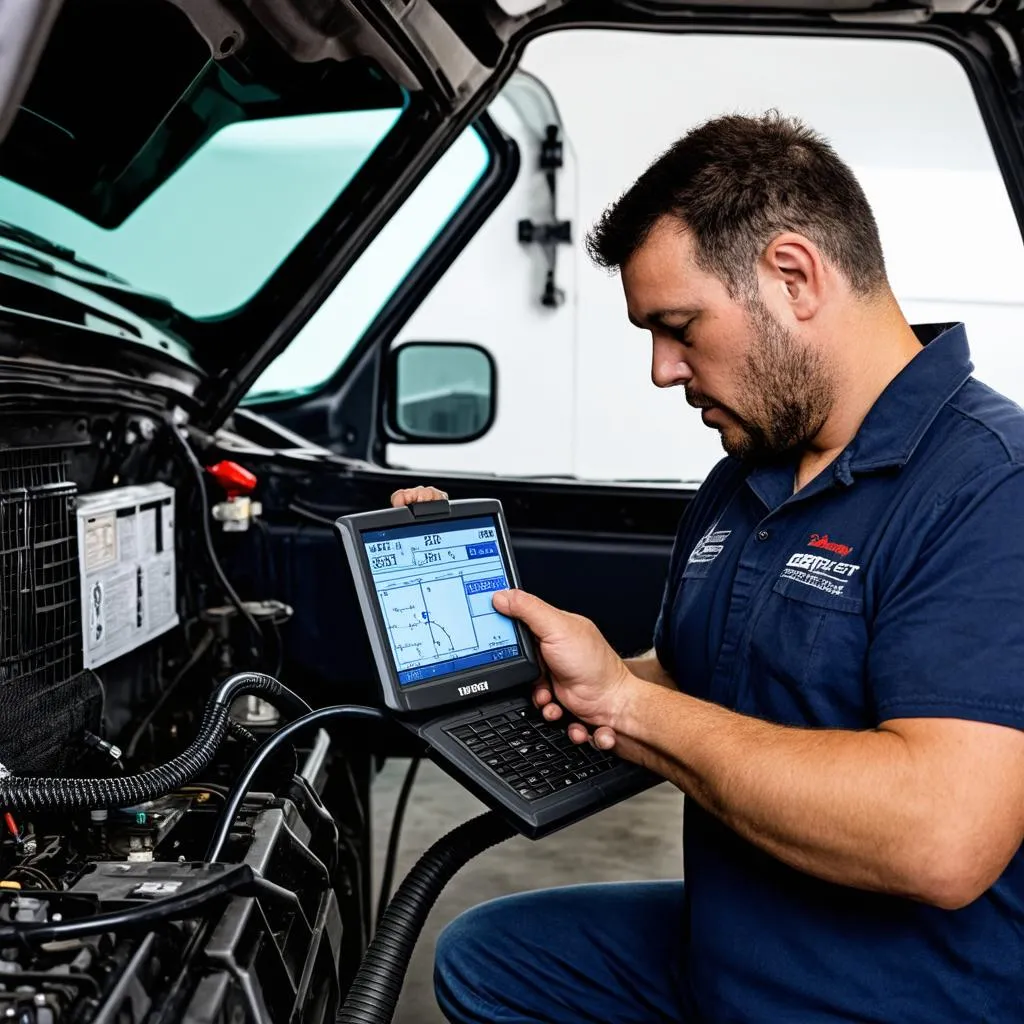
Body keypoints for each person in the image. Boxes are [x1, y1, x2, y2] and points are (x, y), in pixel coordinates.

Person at [394, 112, 1024, 1022]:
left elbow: (941, 838)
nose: (660, 369)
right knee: (490, 960)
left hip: (890, 995)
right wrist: (574, 670)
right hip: (737, 946)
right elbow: (704, 679)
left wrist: (629, 705)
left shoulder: (988, 487)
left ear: (795, 276)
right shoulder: (746, 477)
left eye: (679, 326)